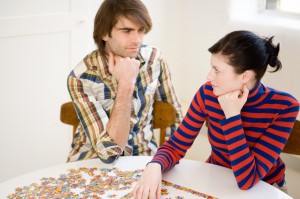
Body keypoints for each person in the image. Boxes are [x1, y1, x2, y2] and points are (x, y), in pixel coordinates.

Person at [133, 30, 300, 199]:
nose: (209, 76)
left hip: (264, 188)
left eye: (217, 70)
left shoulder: (285, 107)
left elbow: (247, 179)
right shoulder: (208, 93)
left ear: (245, 76)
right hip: (216, 180)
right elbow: (176, 146)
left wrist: (232, 116)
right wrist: (155, 165)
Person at [66, 0, 183, 164]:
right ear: (105, 33)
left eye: (141, 30)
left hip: (145, 157)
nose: (137, 40)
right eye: (127, 31)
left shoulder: (154, 59)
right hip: (93, 162)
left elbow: (175, 116)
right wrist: (126, 83)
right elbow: (109, 153)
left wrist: (168, 161)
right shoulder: (81, 77)